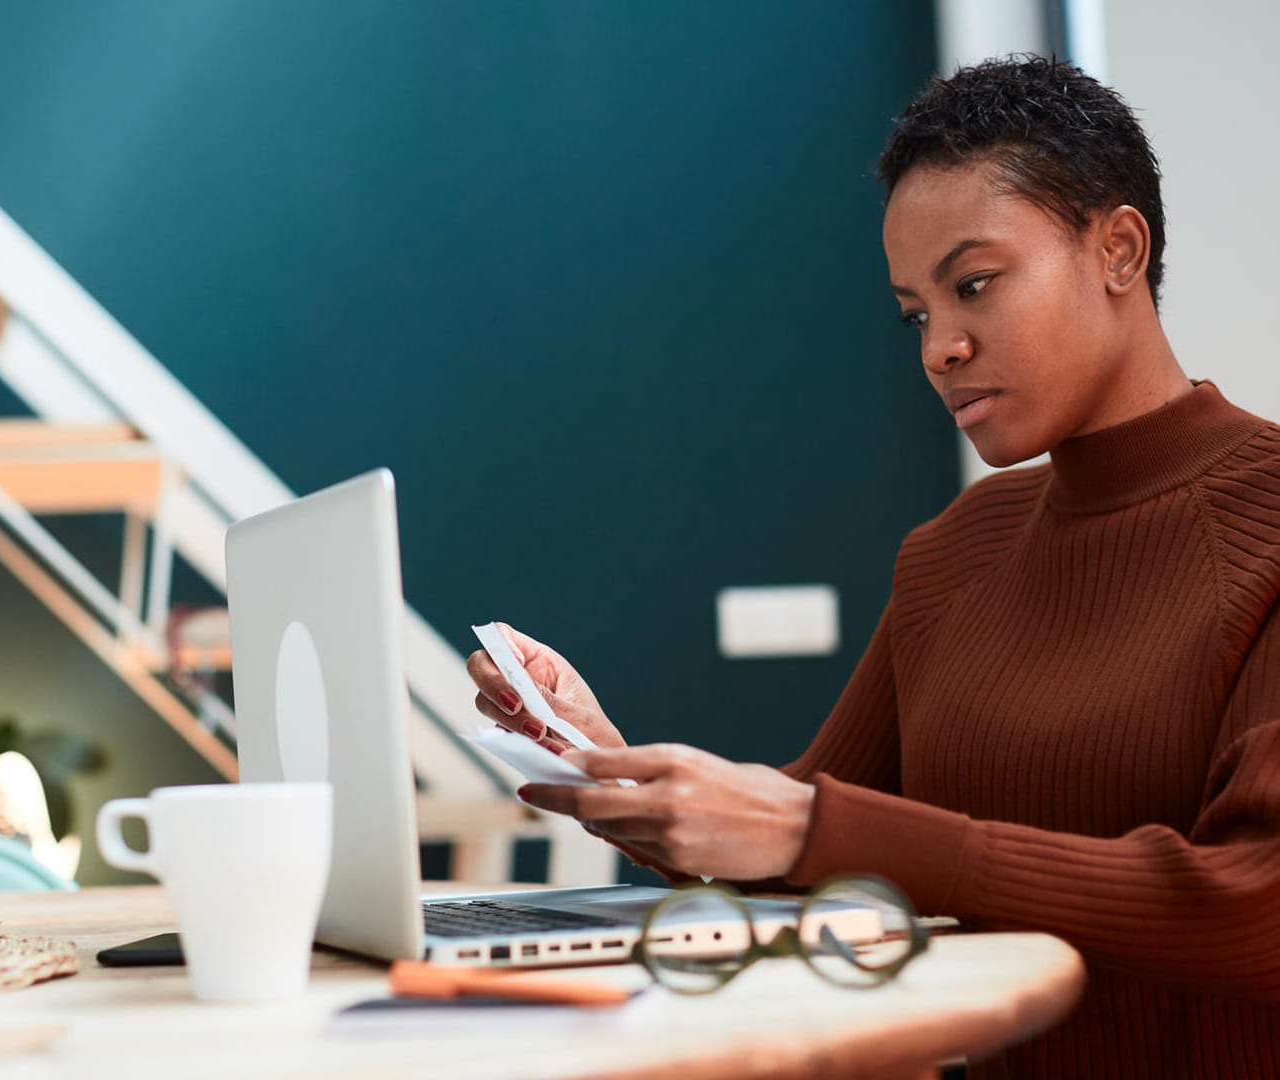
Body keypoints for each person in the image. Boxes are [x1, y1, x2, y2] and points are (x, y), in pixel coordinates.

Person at [467, 55, 1280, 1078]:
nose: (940, 346)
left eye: (973, 285)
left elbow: (1260, 907)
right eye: (915, 313)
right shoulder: (953, 555)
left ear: (1117, 248)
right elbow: (807, 857)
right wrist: (600, 750)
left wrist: (815, 828)